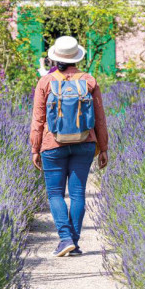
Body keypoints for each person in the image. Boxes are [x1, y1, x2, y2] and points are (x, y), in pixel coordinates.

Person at [29, 36, 109, 257]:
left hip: (52, 143)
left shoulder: (45, 82)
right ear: (77, 58)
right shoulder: (89, 81)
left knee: (55, 193)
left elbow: (38, 119)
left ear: (55, 58)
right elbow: (100, 119)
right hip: (85, 143)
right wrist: (103, 148)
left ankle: (65, 239)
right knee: (77, 194)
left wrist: (35, 148)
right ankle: (73, 242)